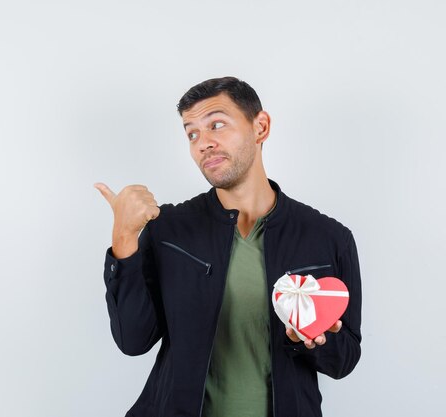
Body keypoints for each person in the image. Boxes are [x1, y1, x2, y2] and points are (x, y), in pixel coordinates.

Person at [94, 76, 362, 417]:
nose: (203, 143)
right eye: (192, 133)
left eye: (216, 125)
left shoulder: (328, 238)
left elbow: (345, 360)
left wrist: (312, 341)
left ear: (260, 127)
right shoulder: (169, 229)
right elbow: (133, 341)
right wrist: (124, 240)